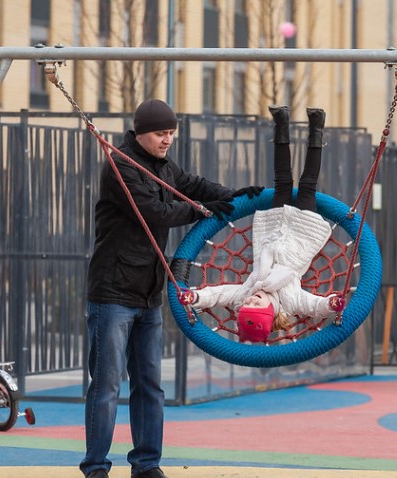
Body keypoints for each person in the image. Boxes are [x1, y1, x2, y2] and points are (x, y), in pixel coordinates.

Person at [80, 99, 262, 478]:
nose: (168, 140)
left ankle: (146, 464)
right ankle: (96, 466)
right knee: (108, 385)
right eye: (161, 134)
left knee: (149, 384)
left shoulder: (163, 166)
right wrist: (201, 209)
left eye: (171, 133)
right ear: (141, 133)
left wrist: (233, 196)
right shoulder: (120, 166)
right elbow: (156, 212)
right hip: (113, 291)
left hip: (148, 292)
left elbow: (193, 184)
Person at [178, 105, 346, 343]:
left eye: (247, 303)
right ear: (270, 310)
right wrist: (332, 304)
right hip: (301, 235)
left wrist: (194, 298)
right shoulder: (289, 301)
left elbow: (219, 294)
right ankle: (317, 127)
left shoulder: (244, 293)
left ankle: (281, 123)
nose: (251, 297)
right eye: (256, 302)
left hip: (273, 231)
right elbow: (315, 305)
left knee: (282, 182)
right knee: (308, 185)